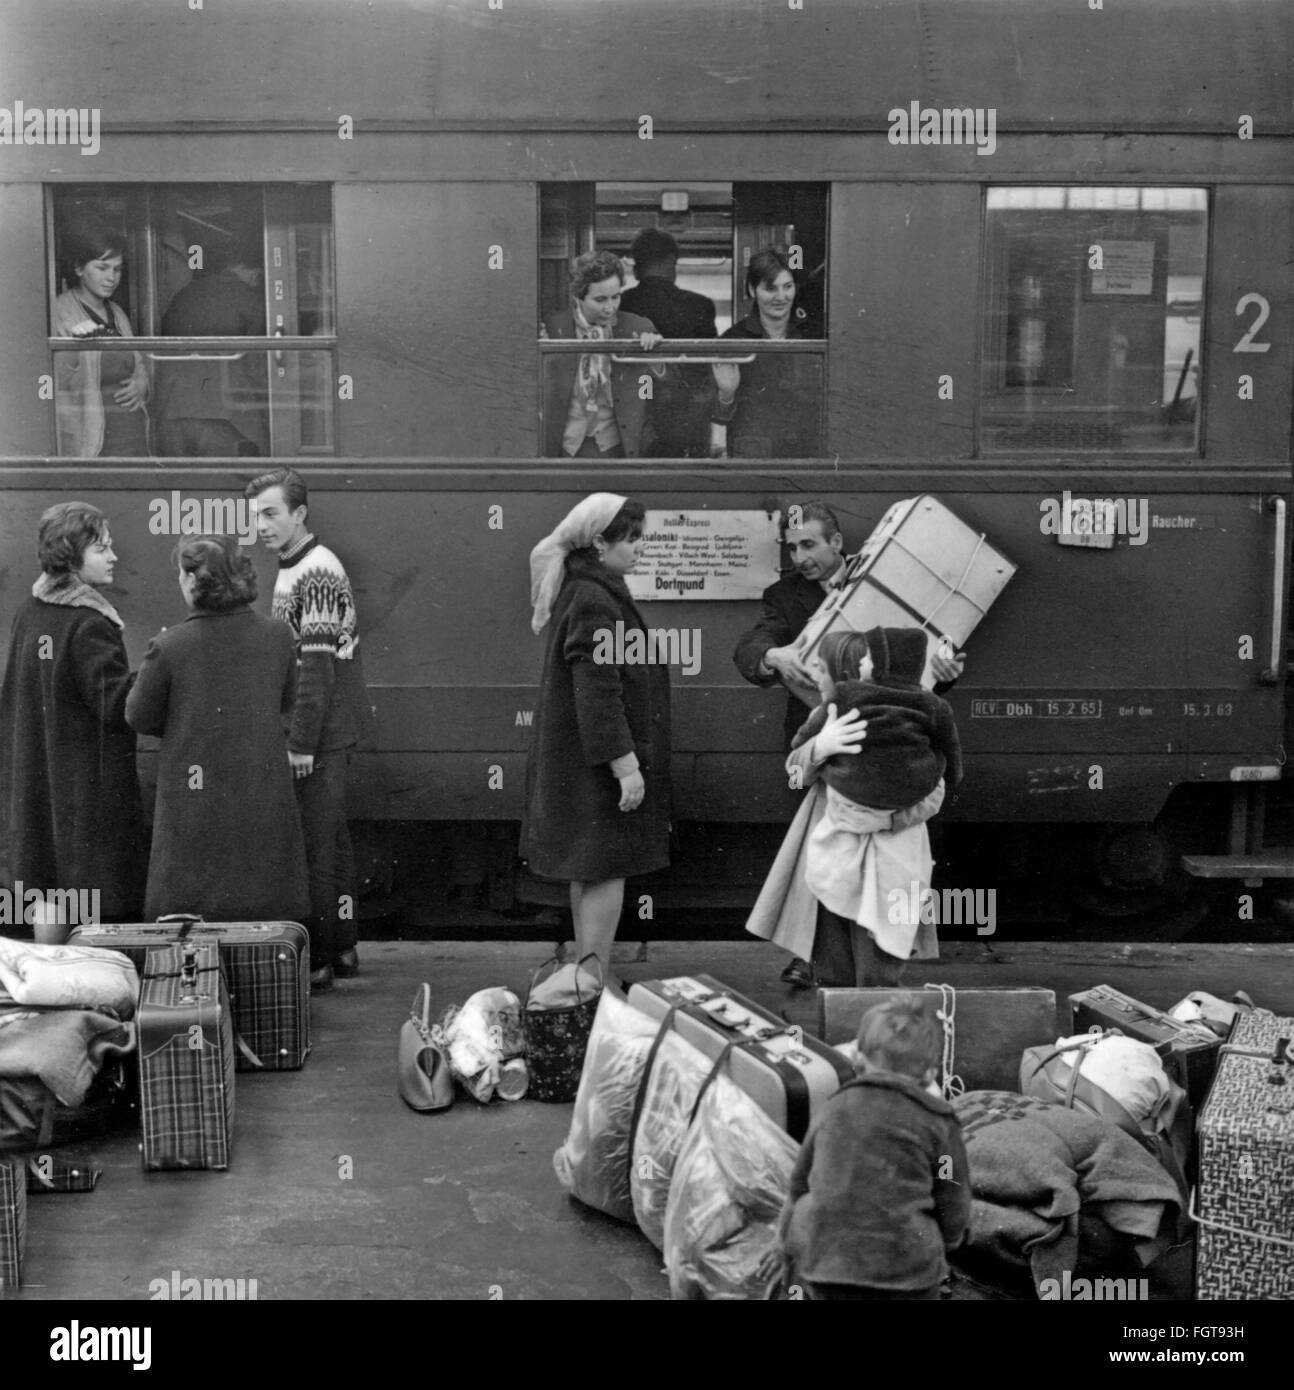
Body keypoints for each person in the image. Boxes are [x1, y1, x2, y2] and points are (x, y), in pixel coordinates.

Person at [736, 502, 964, 988]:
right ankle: (818, 960)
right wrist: (771, 655)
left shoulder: (887, 572)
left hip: (893, 758)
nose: (799, 556)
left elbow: (919, 676)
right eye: (792, 547)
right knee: (824, 861)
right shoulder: (784, 595)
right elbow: (752, 645)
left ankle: (879, 971)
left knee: (886, 871)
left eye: (809, 544)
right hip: (824, 743)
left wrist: (942, 676)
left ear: (837, 543)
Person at [125, 536, 309, 925]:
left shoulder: (169, 645)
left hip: (193, 793)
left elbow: (139, 716)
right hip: (261, 784)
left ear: (193, 582)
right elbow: (287, 701)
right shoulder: (278, 636)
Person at [523, 493, 671, 973]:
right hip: (598, 770)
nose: (640, 548)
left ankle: (588, 979)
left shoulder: (585, 590)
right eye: (632, 539)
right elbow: (598, 692)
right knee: (605, 873)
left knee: (588, 871)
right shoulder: (595, 599)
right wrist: (625, 766)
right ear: (601, 545)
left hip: (580, 764)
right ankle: (593, 980)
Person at [245, 468, 372, 992]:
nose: (261, 525)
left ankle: (317, 961)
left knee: (314, 850)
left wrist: (300, 742)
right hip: (332, 727)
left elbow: (316, 666)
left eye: (271, 513)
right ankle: (341, 949)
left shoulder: (314, 570)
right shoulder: (297, 563)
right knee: (332, 843)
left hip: (322, 731)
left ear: (300, 514)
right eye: (256, 516)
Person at [0, 502, 145, 939]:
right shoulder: (89, 621)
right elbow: (117, 704)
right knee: (88, 885)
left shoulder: (32, 608)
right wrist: (155, 669)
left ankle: (50, 983)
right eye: (102, 548)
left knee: (48, 880)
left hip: (40, 777)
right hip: (85, 784)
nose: (113, 557)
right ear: (72, 555)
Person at [779, 996, 972, 1301]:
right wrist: (948, 1243)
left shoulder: (834, 1108)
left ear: (857, 1061)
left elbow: (798, 1186)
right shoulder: (938, 1121)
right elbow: (952, 1196)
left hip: (829, 1268)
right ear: (929, 1074)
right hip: (908, 1274)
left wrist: (787, 1248)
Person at [542, 250, 666, 459]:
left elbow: (651, 392)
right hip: (565, 446)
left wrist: (654, 359)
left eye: (616, 297)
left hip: (619, 446)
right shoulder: (553, 326)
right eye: (600, 299)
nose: (610, 308)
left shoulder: (637, 327)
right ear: (578, 297)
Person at [154, 236, 268, 457]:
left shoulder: (186, 292)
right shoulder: (250, 298)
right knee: (224, 485)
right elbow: (260, 365)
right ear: (253, 271)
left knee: (182, 487)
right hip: (224, 416)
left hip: (172, 407)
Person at [51, 224, 150, 457]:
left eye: (117, 270)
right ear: (78, 268)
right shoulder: (59, 311)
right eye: (102, 268)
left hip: (132, 434)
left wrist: (142, 382)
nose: (111, 278)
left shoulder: (116, 311)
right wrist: (73, 347)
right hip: (92, 440)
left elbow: (139, 361)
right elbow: (51, 384)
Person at [709, 246, 816, 459]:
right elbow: (710, 415)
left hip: (807, 456)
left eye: (787, 287)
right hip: (754, 459)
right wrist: (727, 394)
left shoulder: (810, 335)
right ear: (751, 289)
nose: (781, 296)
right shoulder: (732, 340)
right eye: (770, 288)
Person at [619, 228, 717, 457]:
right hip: (687, 418)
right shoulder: (700, 305)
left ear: (636, 269)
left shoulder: (621, 304)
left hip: (633, 414)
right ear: (671, 262)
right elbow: (707, 366)